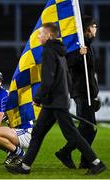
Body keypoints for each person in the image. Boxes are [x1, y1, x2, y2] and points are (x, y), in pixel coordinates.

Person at [5, 22, 106, 175]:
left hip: (55, 102)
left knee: (71, 134)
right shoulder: (59, 51)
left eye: (41, 33)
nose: (38, 36)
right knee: (37, 133)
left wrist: (38, 97)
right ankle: (25, 166)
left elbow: (48, 79)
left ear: (49, 35)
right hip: (55, 101)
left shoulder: (49, 52)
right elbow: (66, 77)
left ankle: (96, 163)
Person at [55, 15, 101, 169]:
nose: (96, 29)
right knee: (87, 127)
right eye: (94, 26)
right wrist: (78, 54)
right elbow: (66, 64)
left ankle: (83, 160)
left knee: (89, 128)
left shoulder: (88, 46)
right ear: (87, 28)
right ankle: (66, 153)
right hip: (81, 92)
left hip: (88, 93)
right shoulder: (77, 46)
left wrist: (94, 94)